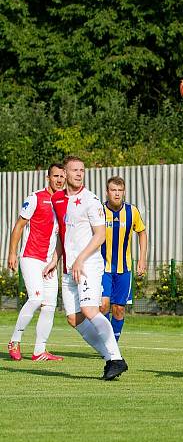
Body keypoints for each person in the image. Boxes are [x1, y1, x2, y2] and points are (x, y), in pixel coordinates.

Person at [46, 156, 128, 379]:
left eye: (82, 170)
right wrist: (55, 259)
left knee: (90, 310)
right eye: (74, 170)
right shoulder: (58, 200)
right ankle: (113, 359)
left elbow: (100, 235)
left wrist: (81, 259)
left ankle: (115, 358)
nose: (79, 174)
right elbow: (63, 234)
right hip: (69, 268)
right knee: (74, 319)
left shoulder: (91, 200)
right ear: (64, 172)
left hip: (88, 265)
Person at [7, 163, 66, 361]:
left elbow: (62, 237)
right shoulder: (35, 198)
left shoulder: (65, 202)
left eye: (62, 176)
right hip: (31, 257)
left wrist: (55, 260)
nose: (59, 180)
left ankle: (39, 351)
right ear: (47, 178)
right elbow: (19, 226)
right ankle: (14, 341)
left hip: (49, 262)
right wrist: (12, 253)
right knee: (36, 299)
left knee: (49, 305)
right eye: (55, 176)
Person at [100, 176, 148, 342]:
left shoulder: (131, 211)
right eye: (113, 190)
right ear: (107, 192)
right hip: (102, 269)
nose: (117, 194)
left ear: (124, 192)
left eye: (120, 190)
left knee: (119, 309)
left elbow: (142, 233)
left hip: (124, 269)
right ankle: (106, 342)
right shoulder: (99, 211)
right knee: (103, 305)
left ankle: (113, 343)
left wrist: (142, 259)